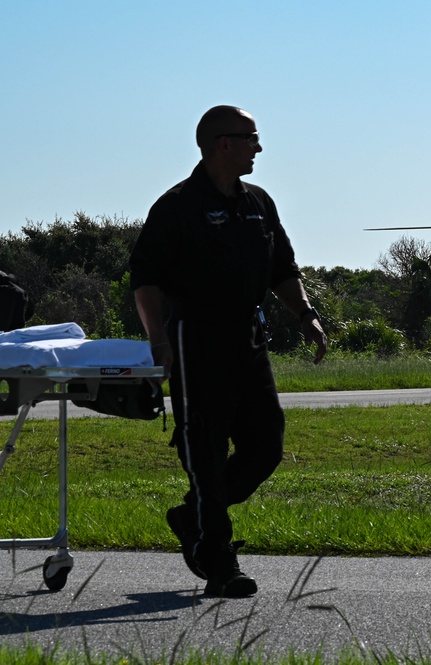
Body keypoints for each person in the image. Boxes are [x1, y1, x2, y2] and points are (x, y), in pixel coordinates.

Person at [129, 105, 327, 597]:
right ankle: (218, 561)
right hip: (195, 342)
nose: (258, 148)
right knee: (206, 451)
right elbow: (146, 281)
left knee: (266, 446)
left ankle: (192, 514)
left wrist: (306, 315)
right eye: (251, 138)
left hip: (249, 340)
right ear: (223, 143)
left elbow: (283, 268)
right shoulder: (176, 206)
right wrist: (158, 341)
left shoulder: (259, 202)